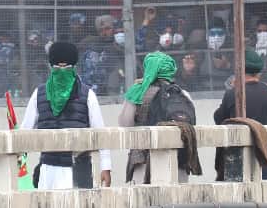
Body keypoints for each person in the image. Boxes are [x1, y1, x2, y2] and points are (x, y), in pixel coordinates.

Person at [20, 42, 111, 189]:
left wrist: (106, 166)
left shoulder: (87, 95)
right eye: (57, 67)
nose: (62, 71)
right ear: (51, 67)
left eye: (66, 67)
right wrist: (20, 160)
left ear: (73, 67)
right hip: (49, 168)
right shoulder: (39, 94)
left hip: (78, 169)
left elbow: (101, 133)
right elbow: (25, 132)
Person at [213, 48, 267, 179]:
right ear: (259, 72)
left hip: (239, 159)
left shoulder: (232, 94)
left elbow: (219, 119)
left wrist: (233, 89)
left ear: (239, 71)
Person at [119, 52, 194, 184]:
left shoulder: (137, 92)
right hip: (178, 164)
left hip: (144, 164)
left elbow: (125, 124)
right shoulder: (182, 94)